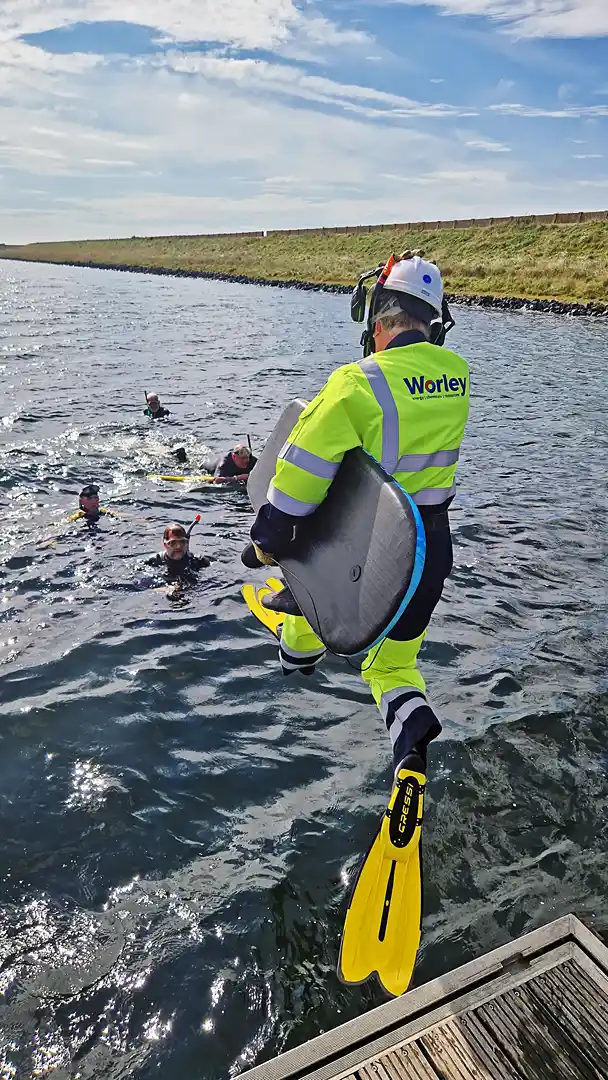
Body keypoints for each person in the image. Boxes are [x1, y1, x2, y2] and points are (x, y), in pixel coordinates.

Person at [245, 251, 470, 802]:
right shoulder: (458, 377)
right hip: (429, 549)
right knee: (393, 664)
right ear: (433, 322)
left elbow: (300, 472)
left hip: (363, 550)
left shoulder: (355, 384)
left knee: (302, 580)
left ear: (380, 317)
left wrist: (267, 539)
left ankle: (298, 657)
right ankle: (411, 734)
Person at [147, 521, 210, 597]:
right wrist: (164, 589)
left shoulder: (199, 562)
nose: (178, 547)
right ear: (165, 545)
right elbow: (142, 587)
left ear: (187, 543)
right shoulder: (154, 562)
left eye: (182, 542)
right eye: (173, 543)